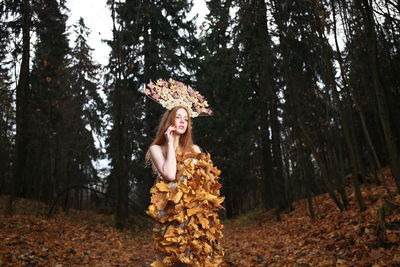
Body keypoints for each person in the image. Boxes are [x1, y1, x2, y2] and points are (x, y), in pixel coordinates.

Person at [146, 106, 224, 267]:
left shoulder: (195, 149)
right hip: (172, 213)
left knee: (197, 258)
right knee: (174, 257)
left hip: (195, 214)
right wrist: (170, 142)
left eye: (186, 119)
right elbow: (170, 174)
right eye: (178, 117)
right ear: (170, 120)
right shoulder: (157, 149)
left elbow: (204, 183)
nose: (183, 122)